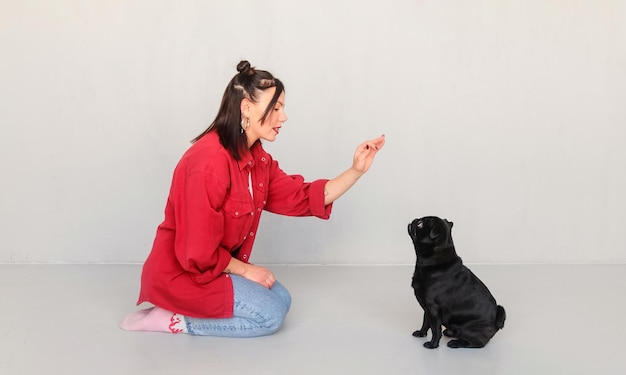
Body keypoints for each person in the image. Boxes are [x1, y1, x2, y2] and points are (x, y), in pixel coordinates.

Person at [120, 60, 385, 337]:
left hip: (213, 268)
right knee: (269, 317)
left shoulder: (257, 159)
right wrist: (246, 271)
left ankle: (188, 311)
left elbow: (302, 197)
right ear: (246, 107)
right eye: (277, 108)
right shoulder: (208, 163)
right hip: (186, 275)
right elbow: (197, 252)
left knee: (282, 300)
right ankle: (168, 319)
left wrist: (356, 171)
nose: (283, 118)